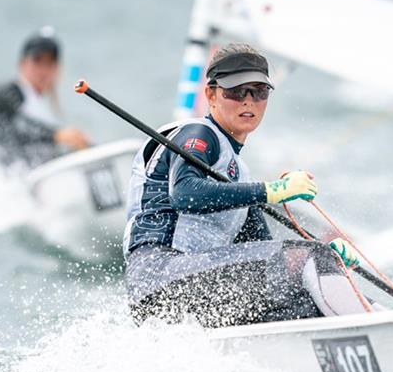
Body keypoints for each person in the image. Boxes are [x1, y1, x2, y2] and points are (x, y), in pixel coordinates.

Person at [124, 43, 368, 327]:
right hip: (160, 278)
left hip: (192, 287)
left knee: (305, 295)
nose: (248, 101)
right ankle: (380, 335)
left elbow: (264, 251)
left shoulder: (238, 177)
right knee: (311, 259)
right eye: (236, 91)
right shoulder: (198, 133)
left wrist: (327, 260)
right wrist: (272, 192)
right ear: (211, 95)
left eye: (259, 92)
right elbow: (186, 193)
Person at [0, 27, 89, 168]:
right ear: (22, 64)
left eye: (49, 63)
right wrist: (55, 136)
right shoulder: (9, 92)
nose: (43, 70)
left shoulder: (43, 108)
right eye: (37, 61)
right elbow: (2, 135)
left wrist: (72, 148)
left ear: (57, 68)